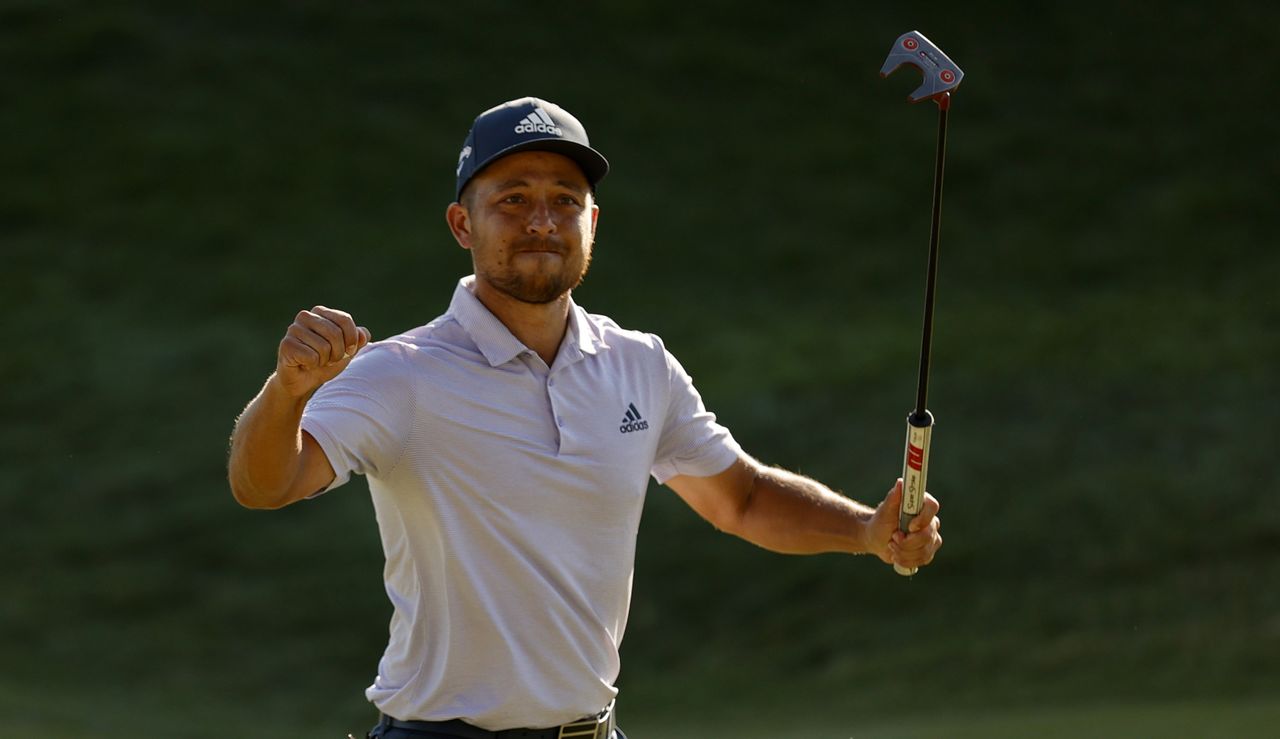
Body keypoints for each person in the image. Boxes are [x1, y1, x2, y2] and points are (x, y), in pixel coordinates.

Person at [227, 96, 942, 739]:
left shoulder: (640, 365)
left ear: (591, 222)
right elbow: (265, 483)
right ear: (461, 224)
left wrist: (866, 530)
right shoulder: (400, 372)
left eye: (565, 200)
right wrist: (286, 393)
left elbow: (743, 498)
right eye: (511, 199)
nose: (541, 220)